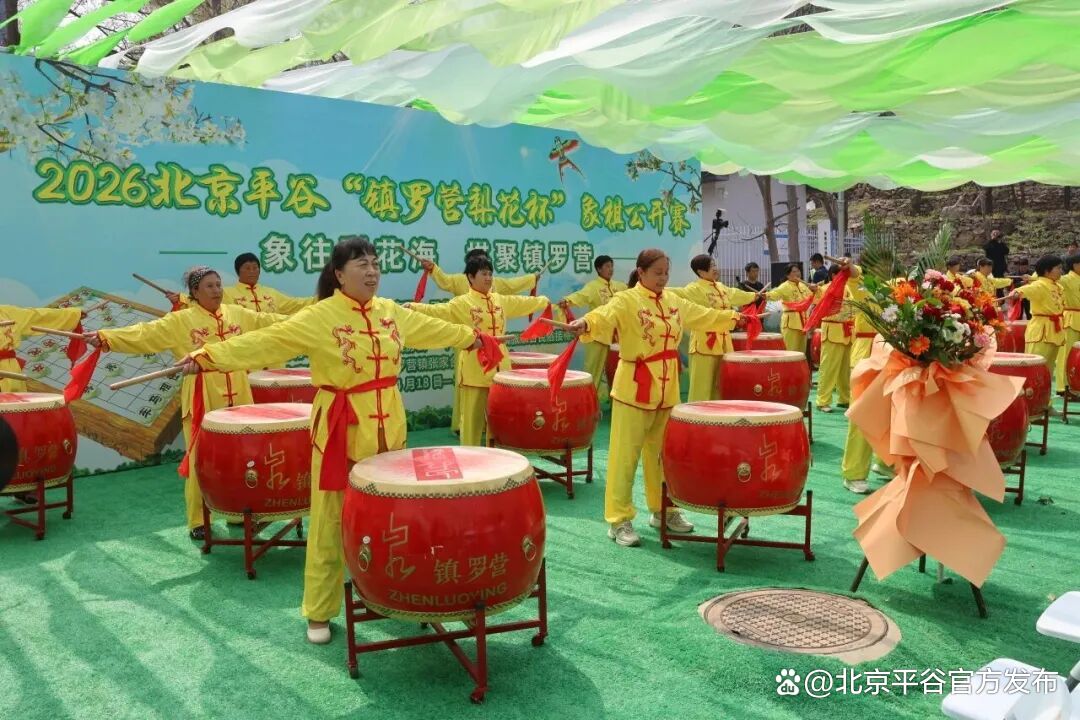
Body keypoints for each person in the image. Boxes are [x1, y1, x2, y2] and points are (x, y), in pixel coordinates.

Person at [175, 237, 481, 645]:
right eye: (361, 264)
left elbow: (432, 328)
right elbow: (265, 341)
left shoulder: (390, 311)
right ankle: (319, 608)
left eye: (375, 263)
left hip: (389, 427)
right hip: (340, 428)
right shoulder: (320, 316)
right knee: (330, 517)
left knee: (391, 515)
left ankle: (391, 590)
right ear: (338, 274)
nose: (372, 271)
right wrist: (207, 357)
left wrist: (471, 337)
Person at [84, 266, 287, 540]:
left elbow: (271, 321)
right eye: (209, 286)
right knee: (200, 455)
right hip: (203, 390)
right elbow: (145, 333)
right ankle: (198, 520)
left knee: (242, 455)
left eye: (218, 285)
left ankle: (238, 512)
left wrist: (313, 320)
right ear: (194, 292)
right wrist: (107, 337)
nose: (217, 290)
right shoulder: (181, 320)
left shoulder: (237, 313)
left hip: (239, 389)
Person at [565, 248, 741, 547]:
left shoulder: (673, 301)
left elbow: (704, 316)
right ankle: (618, 520)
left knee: (662, 456)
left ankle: (664, 510)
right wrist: (586, 324)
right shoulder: (626, 299)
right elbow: (602, 315)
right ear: (641, 272)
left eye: (666, 273)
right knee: (625, 456)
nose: (663, 278)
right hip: (634, 388)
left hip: (667, 389)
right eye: (657, 273)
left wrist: (735, 317)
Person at [408, 255, 549, 447]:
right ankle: (470, 456)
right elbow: (439, 311)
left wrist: (544, 301)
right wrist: (413, 307)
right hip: (475, 369)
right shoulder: (462, 303)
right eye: (484, 274)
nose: (488, 278)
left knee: (499, 418)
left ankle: (497, 454)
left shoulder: (499, 299)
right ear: (471, 277)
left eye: (490, 274)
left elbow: (522, 302)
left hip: (501, 370)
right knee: (472, 421)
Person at [668, 254, 758, 402]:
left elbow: (735, 294)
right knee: (701, 387)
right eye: (711, 267)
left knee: (720, 385)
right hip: (704, 344)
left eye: (714, 265)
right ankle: (697, 415)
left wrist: (754, 296)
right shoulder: (694, 288)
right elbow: (676, 292)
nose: (715, 269)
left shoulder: (721, 287)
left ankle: (719, 415)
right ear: (700, 272)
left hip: (724, 343)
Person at [559, 255, 628, 394]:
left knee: (616, 372)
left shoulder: (620, 287)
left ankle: (614, 400)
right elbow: (581, 296)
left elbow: (632, 295)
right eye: (607, 266)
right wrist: (567, 301)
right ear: (599, 269)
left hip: (616, 338)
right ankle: (589, 401)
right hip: (597, 335)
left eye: (611, 266)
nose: (611, 269)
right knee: (593, 371)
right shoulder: (593, 286)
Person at [0, 303, 83, 393]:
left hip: (9, 373)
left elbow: (36, 317)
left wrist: (73, 315)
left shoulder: (4, 313)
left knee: (14, 397)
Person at [815, 262, 862, 413]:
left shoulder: (849, 288)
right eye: (843, 273)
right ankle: (823, 400)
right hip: (833, 330)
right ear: (834, 275)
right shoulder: (825, 288)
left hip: (847, 331)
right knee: (828, 368)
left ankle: (844, 398)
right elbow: (817, 299)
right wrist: (815, 290)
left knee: (845, 369)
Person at [1009, 255, 1065, 380]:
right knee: (1034, 365)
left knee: (1049, 368)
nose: (1061, 271)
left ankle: (1045, 393)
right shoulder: (1040, 285)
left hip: (1055, 330)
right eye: (1058, 268)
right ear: (1047, 271)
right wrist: (1016, 293)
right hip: (1041, 330)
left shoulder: (1057, 286)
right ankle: (1028, 391)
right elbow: (1027, 289)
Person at [222, 252, 316, 314]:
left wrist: (321, 297)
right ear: (238, 271)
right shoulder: (226, 294)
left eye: (255, 268)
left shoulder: (270, 293)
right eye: (247, 268)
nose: (252, 271)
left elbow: (295, 304)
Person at [765, 264, 817, 353]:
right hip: (791, 323)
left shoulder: (803, 285)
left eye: (798, 271)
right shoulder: (784, 286)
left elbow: (812, 297)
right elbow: (774, 294)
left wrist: (815, 290)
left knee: (802, 350)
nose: (797, 273)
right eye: (794, 271)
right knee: (790, 350)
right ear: (788, 275)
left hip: (803, 322)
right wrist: (765, 295)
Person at [1055, 253, 1080, 393]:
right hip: (1071, 318)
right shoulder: (1065, 279)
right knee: (1066, 353)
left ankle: (1077, 384)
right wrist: (1032, 277)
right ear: (1075, 265)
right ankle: (1063, 386)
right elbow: (1046, 278)